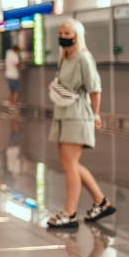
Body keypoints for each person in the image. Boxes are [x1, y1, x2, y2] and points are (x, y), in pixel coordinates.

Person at [46, 18, 116, 229]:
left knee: (70, 165)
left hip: (77, 116)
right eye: (61, 32)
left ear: (77, 35)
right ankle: (101, 202)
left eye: (67, 33)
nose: (63, 36)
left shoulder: (84, 58)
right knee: (71, 164)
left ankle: (70, 212)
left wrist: (95, 114)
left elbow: (95, 89)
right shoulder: (65, 58)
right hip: (63, 115)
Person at [4, 43, 23, 110]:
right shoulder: (15, 55)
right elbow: (17, 65)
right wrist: (22, 62)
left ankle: (10, 105)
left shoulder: (8, 53)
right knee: (18, 90)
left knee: (11, 90)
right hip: (14, 75)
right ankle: (14, 106)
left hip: (8, 74)